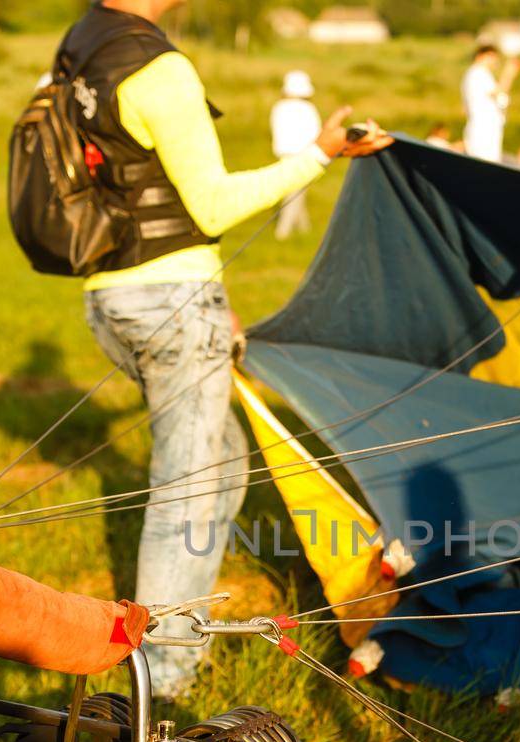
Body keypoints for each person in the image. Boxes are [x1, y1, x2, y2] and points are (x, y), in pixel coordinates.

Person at [59, 0, 392, 697]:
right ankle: (161, 678)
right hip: (168, 303)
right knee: (186, 490)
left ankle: (176, 626)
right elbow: (210, 205)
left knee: (226, 467)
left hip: (112, 298)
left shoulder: (81, 47)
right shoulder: (160, 68)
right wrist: (319, 154)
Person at [270, 70, 322, 240]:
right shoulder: (309, 109)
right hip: (303, 156)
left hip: (284, 156)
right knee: (294, 195)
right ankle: (282, 232)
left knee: (295, 192)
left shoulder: (278, 107)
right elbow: (317, 134)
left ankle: (304, 230)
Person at [461, 45, 520, 163]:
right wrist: (509, 73)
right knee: (483, 166)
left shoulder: (483, 75)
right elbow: (498, 91)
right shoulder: (477, 72)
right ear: (480, 56)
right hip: (482, 131)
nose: (494, 60)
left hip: (488, 130)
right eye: (491, 56)